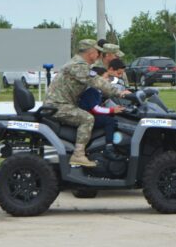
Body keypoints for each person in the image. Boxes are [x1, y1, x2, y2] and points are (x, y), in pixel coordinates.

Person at [45, 39, 131, 167]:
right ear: (91, 53)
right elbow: (97, 82)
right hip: (58, 105)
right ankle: (78, 155)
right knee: (87, 118)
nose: (99, 55)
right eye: (97, 52)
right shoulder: (78, 66)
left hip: (64, 104)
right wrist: (119, 93)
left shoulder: (80, 64)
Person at [78, 60, 127, 160]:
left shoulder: (97, 90)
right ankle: (109, 148)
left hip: (91, 115)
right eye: (105, 78)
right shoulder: (91, 91)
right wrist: (112, 110)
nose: (108, 80)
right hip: (88, 117)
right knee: (109, 121)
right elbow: (95, 109)